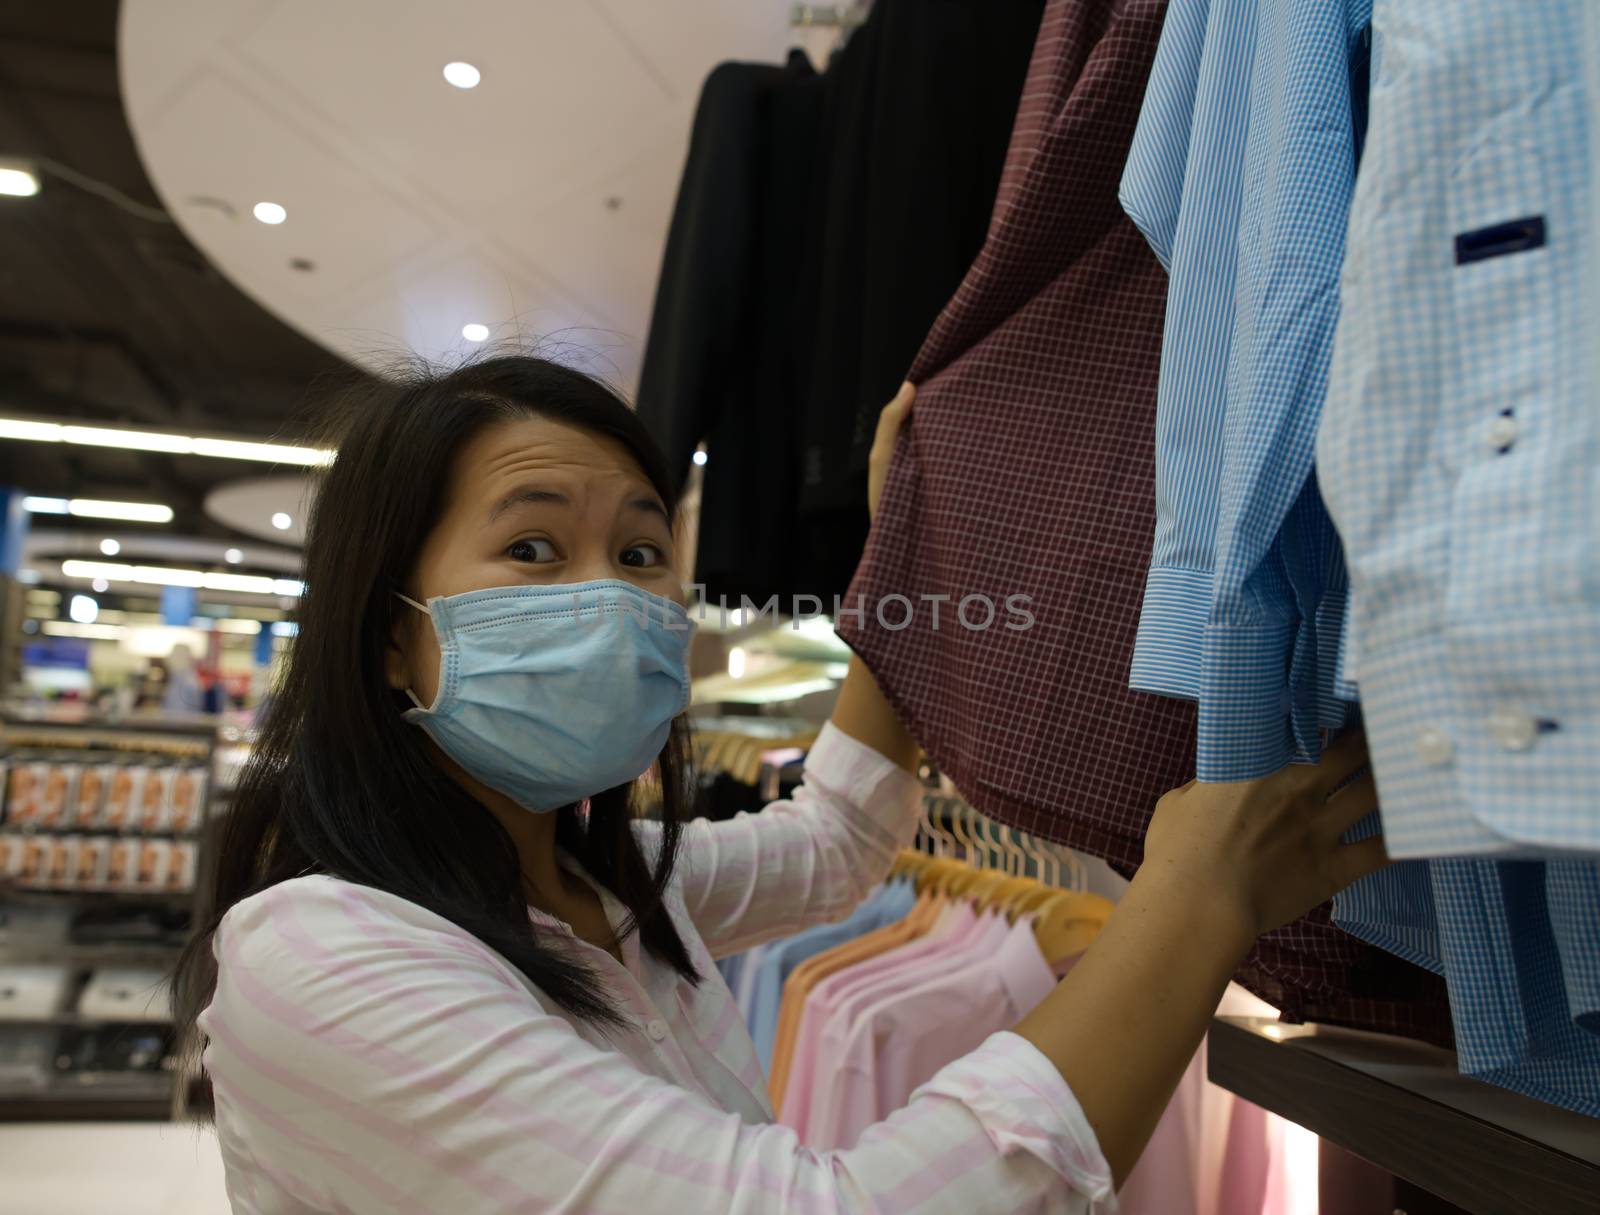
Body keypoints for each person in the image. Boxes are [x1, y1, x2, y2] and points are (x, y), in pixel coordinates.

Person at [173, 356, 1386, 1213]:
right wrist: (1194, 899)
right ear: (390, 634)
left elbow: (840, 838)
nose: (611, 596)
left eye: (642, 551)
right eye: (533, 547)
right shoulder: (324, 955)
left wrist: (897, 558)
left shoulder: (613, 887)